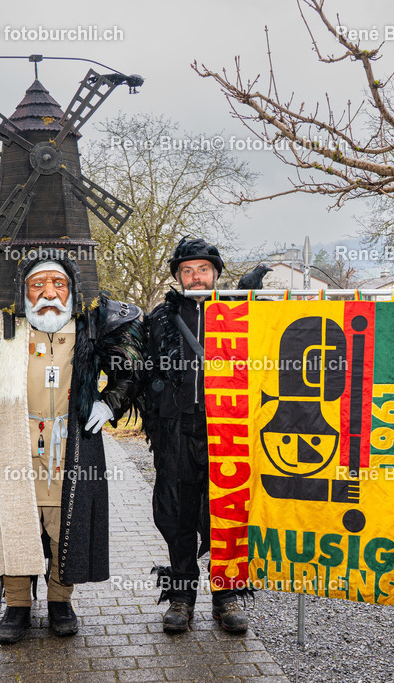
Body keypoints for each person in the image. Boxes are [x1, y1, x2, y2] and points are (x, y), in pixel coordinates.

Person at [0, 250, 145, 644]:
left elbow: (131, 364)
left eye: (58, 285)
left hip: (71, 447)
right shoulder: (1, 328)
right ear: (24, 291)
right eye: (38, 285)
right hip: (12, 444)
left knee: (63, 526)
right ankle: (16, 605)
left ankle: (60, 601)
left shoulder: (89, 329)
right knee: (15, 521)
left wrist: (109, 403)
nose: (48, 294)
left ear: (71, 291)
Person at [142, 236, 250, 633]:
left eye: (203, 269)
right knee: (177, 514)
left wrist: (253, 294)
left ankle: (226, 596)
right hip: (176, 433)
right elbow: (139, 370)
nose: (195, 276)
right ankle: (182, 597)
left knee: (226, 511)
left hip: (229, 430)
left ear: (216, 274)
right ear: (178, 277)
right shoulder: (159, 319)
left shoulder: (241, 313)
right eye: (187, 271)